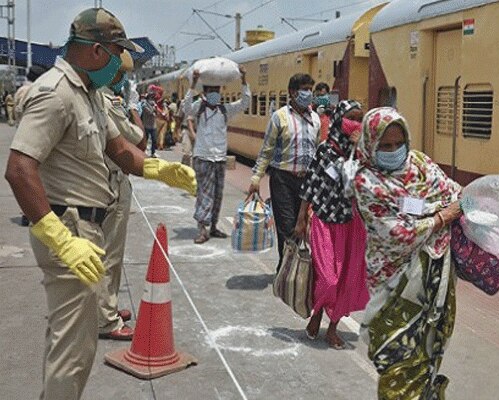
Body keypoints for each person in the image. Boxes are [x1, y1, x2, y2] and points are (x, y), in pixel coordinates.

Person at [3, 8, 196, 399]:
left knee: (76, 342)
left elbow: (122, 150)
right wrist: (58, 236)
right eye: (114, 53)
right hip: (67, 230)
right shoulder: (56, 94)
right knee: (71, 352)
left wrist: (160, 169)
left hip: (85, 229)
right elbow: (20, 168)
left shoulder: (87, 93)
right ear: (94, 51)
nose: (117, 64)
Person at [352, 107, 463, 399]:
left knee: (427, 349)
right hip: (394, 283)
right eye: (384, 146)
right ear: (371, 144)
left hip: (433, 273)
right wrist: (440, 217)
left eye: (398, 143)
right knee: (397, 357)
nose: (393, 151)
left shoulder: (420, 163)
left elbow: (452, 192)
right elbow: (397, 235)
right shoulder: (367, 181)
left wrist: (434, 213)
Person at [293, 100, 369, 349]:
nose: (355, 124)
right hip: (325, 221)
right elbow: (310, 185)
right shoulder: (325, 150)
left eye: (360, 119)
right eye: (351, 118)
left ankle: (333, 327)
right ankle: (317, 313)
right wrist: (301, 217)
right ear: (339, 120)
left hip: (351, 224)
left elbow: (370, 182)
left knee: (346, 280)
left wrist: (360, 149)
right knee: (329, 279)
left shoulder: (363, 154)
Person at [97, 51, 147, 341]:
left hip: (107, 180)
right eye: (121, 75)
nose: (123, 80)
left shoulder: (99, 98)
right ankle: (105, 319)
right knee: (110, 254)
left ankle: (108, 306)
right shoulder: (107, 102)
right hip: (112, 183)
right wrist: (134, 110)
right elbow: (136, 137)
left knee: (108, 253)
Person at [248, 73, 321, 271]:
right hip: (283, 179)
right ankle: (286, 268)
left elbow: (317, 150)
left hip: (306, 182)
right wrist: (256, 178)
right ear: (292, 92)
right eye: (303, 89)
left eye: (309, 89)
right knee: (287, 227)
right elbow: (267, 150)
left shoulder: (315, 119)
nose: (307, 94)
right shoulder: (279, 117)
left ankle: (296, 267)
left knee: (303, 225)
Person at [183, 67, 250, 244]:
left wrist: (243, 80)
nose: (215, 94)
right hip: (203, 156)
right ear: (205, 92)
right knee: (205, 193)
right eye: (211, 90)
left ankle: (213, 226)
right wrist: (192, 85)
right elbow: (186, 108)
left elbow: (245, 102)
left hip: (219, 157)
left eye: (217, 90)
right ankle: (202, 228)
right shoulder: (199, 107)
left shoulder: (225, 109)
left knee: (218, 194)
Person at [14, 65, 50, 227]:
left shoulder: (20, 91)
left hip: (21, 135)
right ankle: (33, 212)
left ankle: (25, 213)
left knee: (25, 176)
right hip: (34, 136)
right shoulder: (33, 90)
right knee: (35, 177)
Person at [141, 88, 158, 157]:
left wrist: (155, 108)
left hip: (153, 125)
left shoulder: (153, 104)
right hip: (146, 125)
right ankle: (144, 151)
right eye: (151, 97)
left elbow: (156, 113)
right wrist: (154, 108)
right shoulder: (144, 105)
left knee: (154, 139)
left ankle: (153, 152)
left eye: (153, 98)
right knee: (146, 139)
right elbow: (150, 112)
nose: (152, 99)